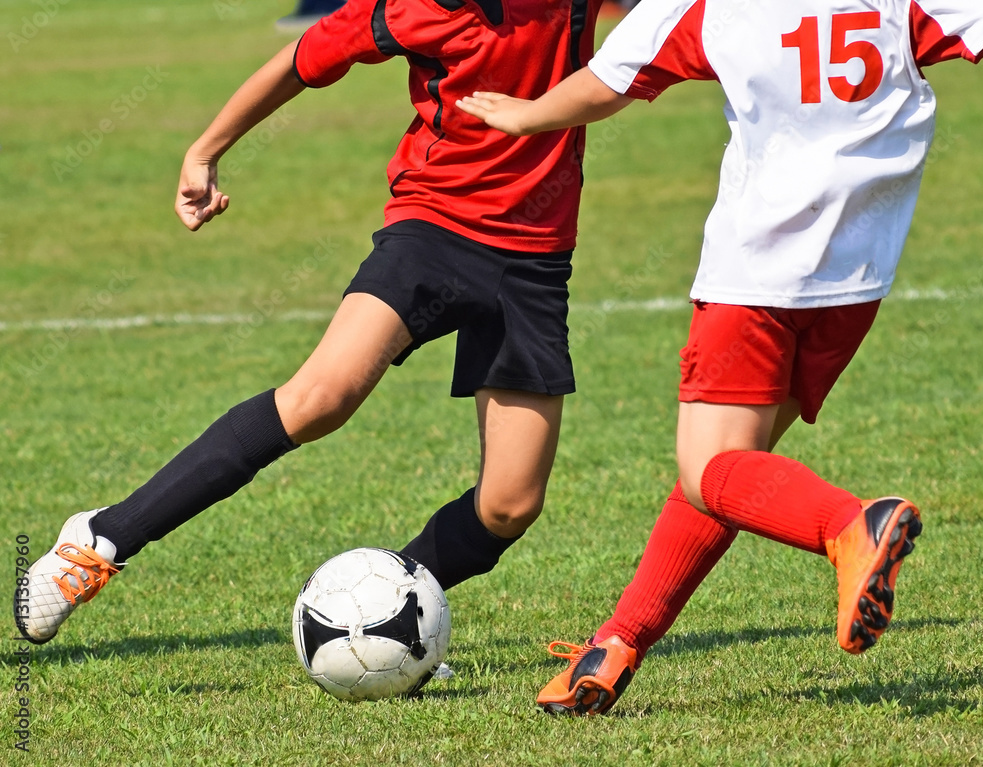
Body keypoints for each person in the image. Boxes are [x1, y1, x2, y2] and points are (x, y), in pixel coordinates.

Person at [458, 0, 983, 715]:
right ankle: (617, 644)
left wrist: (529, 116)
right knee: (735, 473)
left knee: (710, 469)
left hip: (760, 269)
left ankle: (849, 524)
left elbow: (613, 76)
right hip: (860, 271)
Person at [15, 0, 607, 646]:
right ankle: (103, 537)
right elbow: (297, 63)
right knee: (321, 398)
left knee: (509, 504)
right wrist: (204, 151)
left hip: (536, 264)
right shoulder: (412, 7)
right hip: (432, 231)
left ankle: (386, 616)